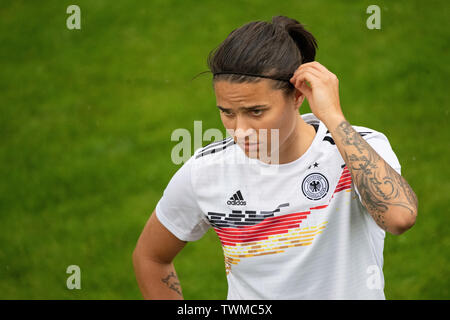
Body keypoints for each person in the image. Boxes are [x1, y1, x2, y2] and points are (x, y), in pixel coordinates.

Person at [132, 16, 418, 300]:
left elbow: (399, 217)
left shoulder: (357, 148)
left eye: (256, 112)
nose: (240, 131)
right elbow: (151, 258)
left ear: (297, 96)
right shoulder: (206, 171)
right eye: (228, 113)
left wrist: (332, 115)